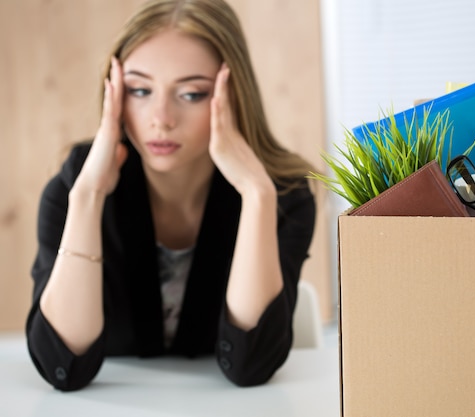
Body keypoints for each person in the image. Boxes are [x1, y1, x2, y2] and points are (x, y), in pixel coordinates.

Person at [26, 0, 316, 392]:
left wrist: (256, 195)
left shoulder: (283, 195)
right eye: (140, 89)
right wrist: (89, 197)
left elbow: (252, 363)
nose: (160, 117)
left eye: (191, 94)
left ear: (232, 94)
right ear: (115, 93)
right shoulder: (76, 185)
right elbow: (63, 366)